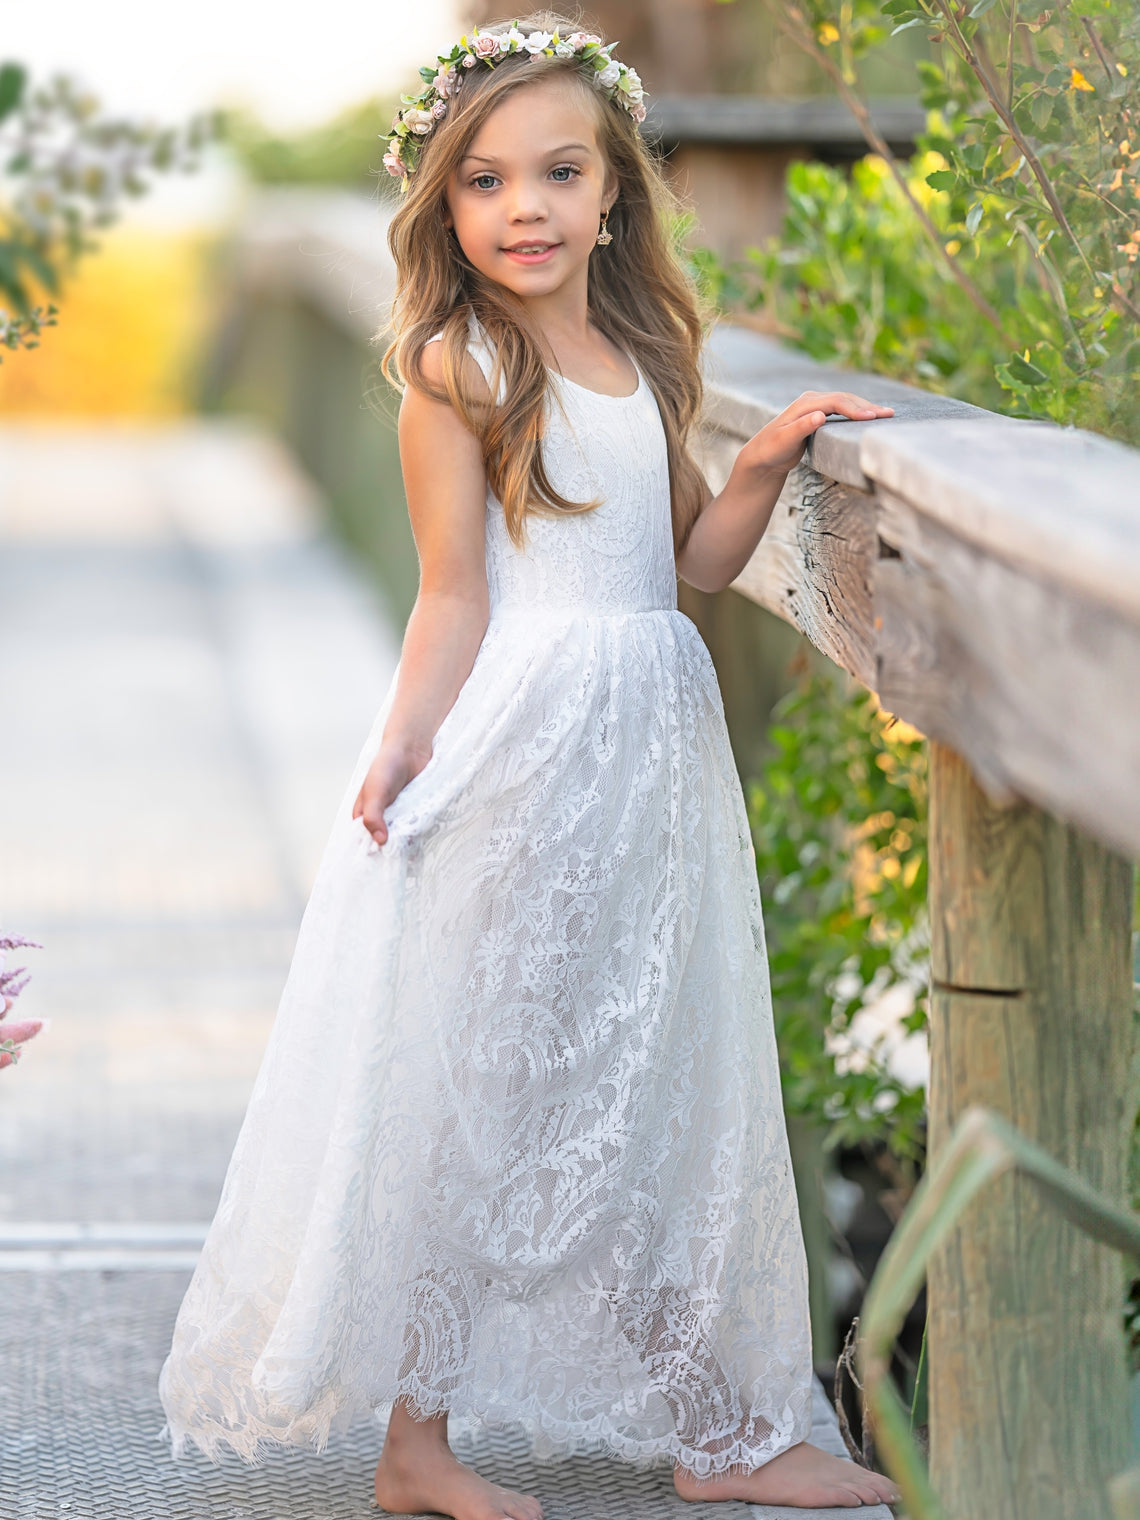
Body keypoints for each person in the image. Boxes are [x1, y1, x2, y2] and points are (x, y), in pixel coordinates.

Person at [158, 14, 900, 1517]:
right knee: (484, 1089)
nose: (525, 209)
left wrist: (761, 470)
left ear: (615, 188)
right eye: (486, 183)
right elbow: (454, 593)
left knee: (654, 1074)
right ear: (445, 207)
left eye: (558, 174)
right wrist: (404, 749)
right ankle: (416, 1448)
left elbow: (682, 561)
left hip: (654, 754)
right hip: (528, 756)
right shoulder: (461, 364)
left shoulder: (640, 351)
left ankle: (718, 1430)